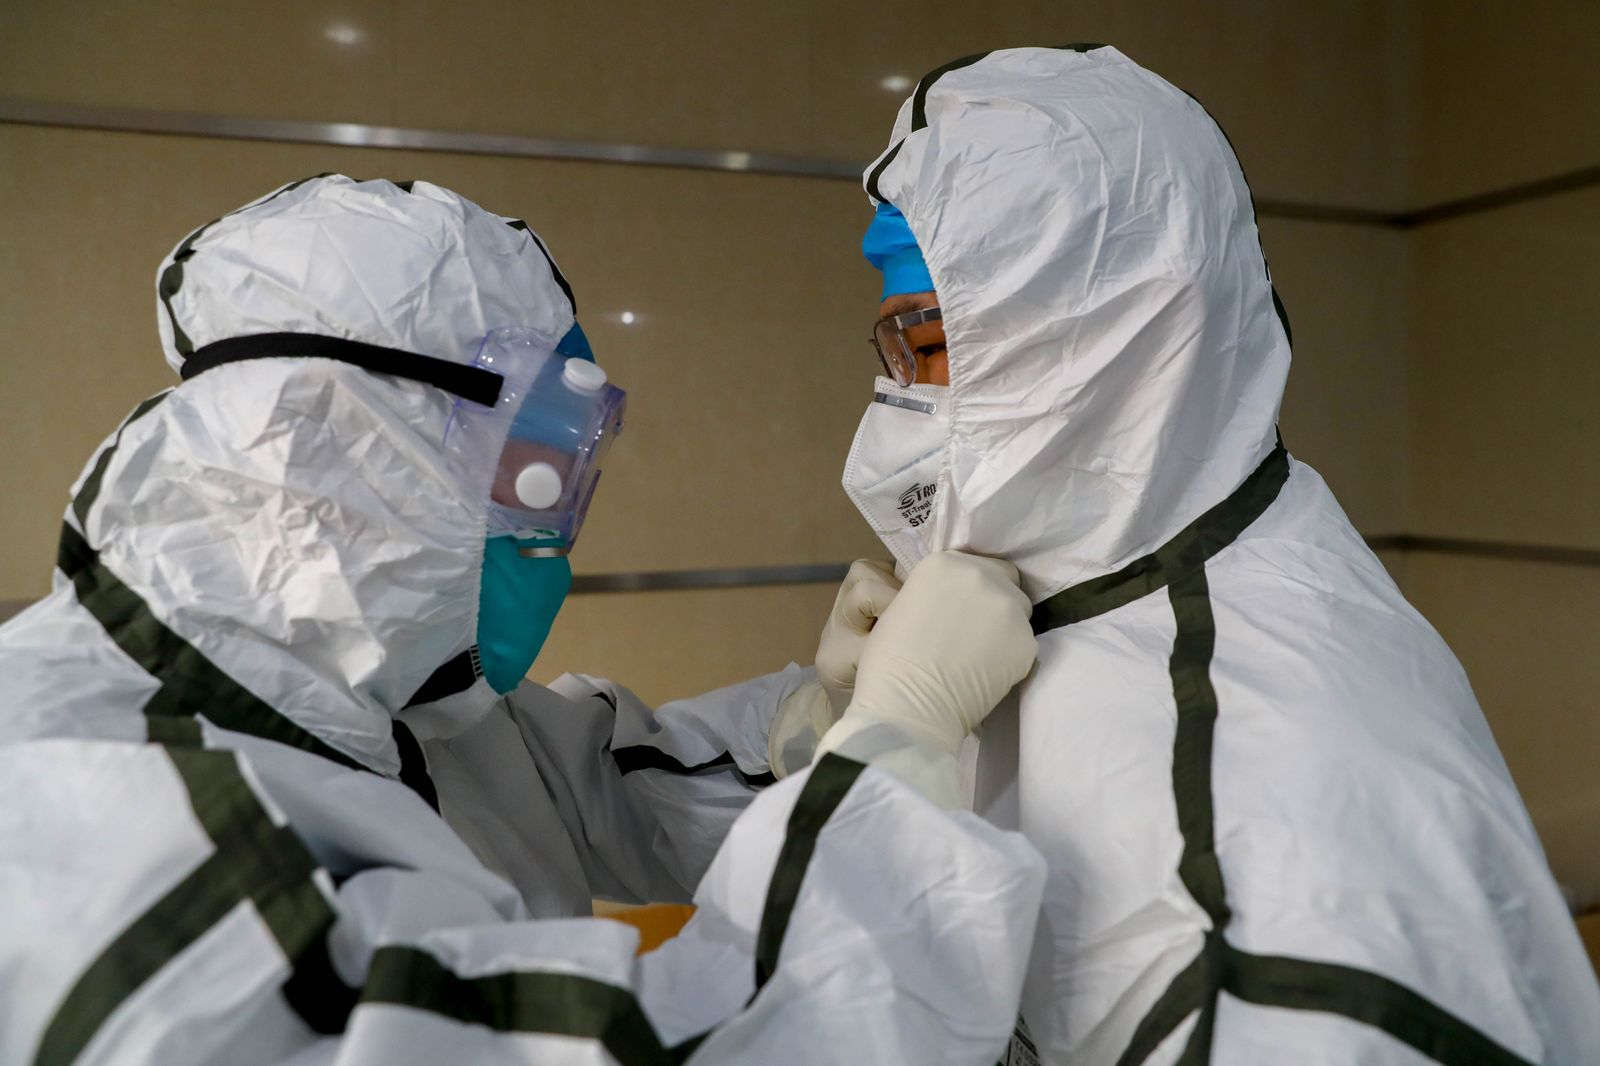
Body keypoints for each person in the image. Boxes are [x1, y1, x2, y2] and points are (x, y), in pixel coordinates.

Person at [0, 174, 1049, 1065]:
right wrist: (895, 745)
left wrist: (814, 723)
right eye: (539, 463)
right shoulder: (96, 826)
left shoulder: (364, 711)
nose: (556, 532)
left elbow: (612, 792)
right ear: (340, 442)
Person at [836, 45, 1600, 1064]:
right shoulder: (1138, 574)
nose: (898, 397)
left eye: (928, 344)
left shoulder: (1272, 904)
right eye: (894, 344)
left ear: (1098, 346)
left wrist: (883, 739)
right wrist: (841, 734)